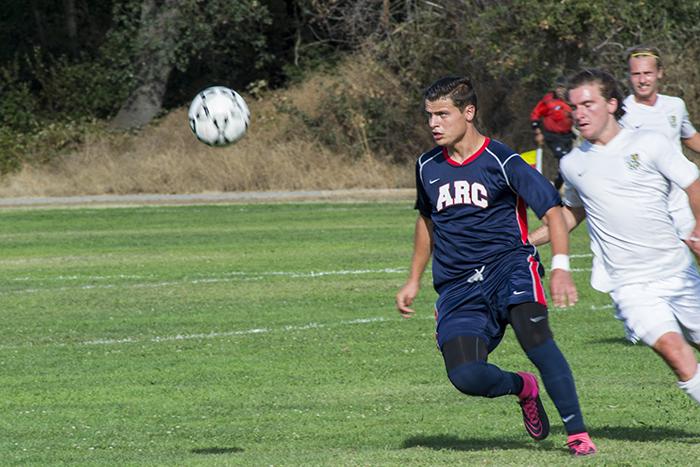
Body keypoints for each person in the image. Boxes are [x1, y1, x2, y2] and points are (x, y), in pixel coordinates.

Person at [395, 76, 596, 456]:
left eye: (442, 114)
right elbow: (426, 221)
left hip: (510, 268)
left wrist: (560, 266)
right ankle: (524, 387)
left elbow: (553, 211)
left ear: (468, 113)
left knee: (537, 342)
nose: (433, 124)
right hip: (458, 287)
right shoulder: (426, 166)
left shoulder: (502, 160)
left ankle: (577, 434)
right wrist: (413, 279)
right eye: (429, 116)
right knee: (466, 376)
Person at [529, 68, 700, 411]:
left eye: (588, 104)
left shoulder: (649, 143)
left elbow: (693, 183)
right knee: (675, 352)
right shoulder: (574, 163)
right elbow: (569, 214)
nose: (579, 113)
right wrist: (526, 242)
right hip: (629, 284)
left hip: (678, 272)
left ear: (611, 104)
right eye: (574, 106)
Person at [530, 76, 576, 189]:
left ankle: (558, 186)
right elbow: (535, 114)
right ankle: (556, 188)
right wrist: (537, 132)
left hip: (568, 136)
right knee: (564, 160)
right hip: (553, 136)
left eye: (563, 88)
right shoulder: (548, 101)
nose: (560, 90)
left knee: (571, 163)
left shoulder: (572, 100)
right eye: (558, 88)